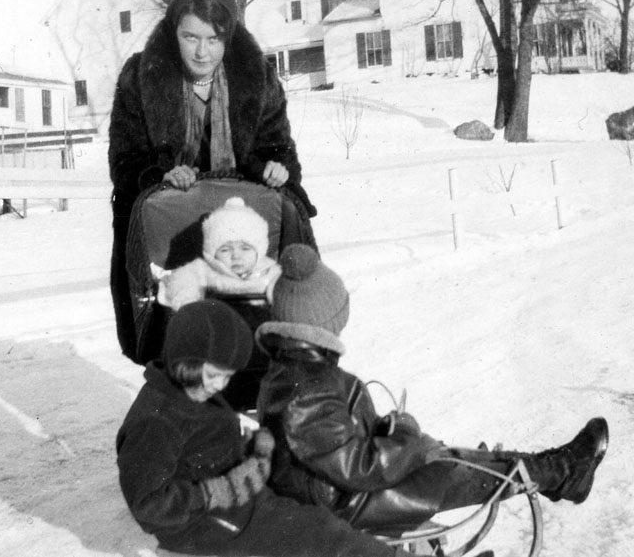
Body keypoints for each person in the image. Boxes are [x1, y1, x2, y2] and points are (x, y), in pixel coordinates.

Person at [255, 244, 610, 534]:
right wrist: (405, 434)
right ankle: (564, 471)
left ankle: (561, 470)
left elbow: (334, 445)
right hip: (352, 502)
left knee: (448, 458)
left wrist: (386, 432)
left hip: (340, 491)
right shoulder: (306, 388)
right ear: (327, 320)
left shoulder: (299, 370)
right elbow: (358, 468)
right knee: (451, 468)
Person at [108, 0, 315, 360]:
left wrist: (275, 168)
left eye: (214, 40)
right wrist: (159, 175)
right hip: (174, 220)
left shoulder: (257, 79)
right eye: (191, 38)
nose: (202, 52)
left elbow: (277, 145)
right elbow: (125, 158)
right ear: (174, 33)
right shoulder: (140, 77)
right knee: (176, 328)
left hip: (237, 216)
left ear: (228, 38)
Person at [116, 299, 419, 557]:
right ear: (186, 361)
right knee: (320, 536)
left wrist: (248, 448)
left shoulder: (189, 389)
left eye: (227, 377)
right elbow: (148, 504)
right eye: (215, 375)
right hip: (205, 523)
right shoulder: (156, 421)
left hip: (235, 501)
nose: (220, 385)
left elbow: (201, 445)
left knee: (316, 517)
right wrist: (212, 493)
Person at [153, 197, 281, 311]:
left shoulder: (269, 270)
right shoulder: (205, 269)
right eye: (225, 250)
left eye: (245, 248)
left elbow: (284, 284)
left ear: (259, 252)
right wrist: (187, 300)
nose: (236, 256)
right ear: (212, 254)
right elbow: (183, 280)